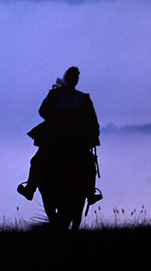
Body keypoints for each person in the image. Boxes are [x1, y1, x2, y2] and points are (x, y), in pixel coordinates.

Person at [18, 66, 101, 204]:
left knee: (89, 165)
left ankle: (90, 192)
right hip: (56, 138)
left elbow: (92, 121)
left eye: (76, 78)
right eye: (72, 77)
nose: (74, 80)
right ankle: (30, 189)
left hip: (76, 139)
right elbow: (43, 111)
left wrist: (92, 136)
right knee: (37, 161)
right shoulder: (55, 95)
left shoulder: (83, 98)